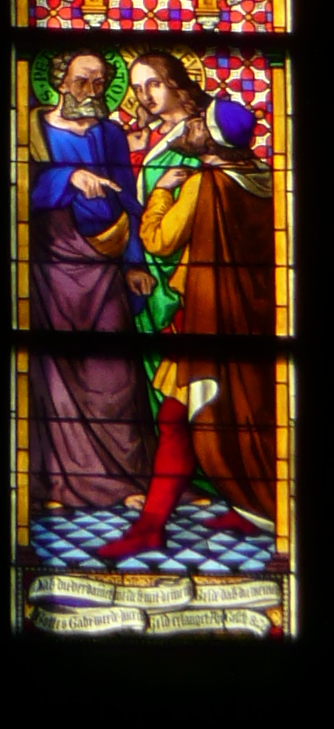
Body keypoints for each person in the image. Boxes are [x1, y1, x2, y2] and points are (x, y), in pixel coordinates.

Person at [96, 55, 279, 562]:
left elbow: (159, 238)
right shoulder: (257, 174)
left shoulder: (199, 175)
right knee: (233, 407)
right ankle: (251, 502)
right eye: (138, 87)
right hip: (233, 310)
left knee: (181, 412)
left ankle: (153, 524)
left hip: (195, 307)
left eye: (156, 84)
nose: (146, 96)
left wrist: (160, 192)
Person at [27, 48, 150, 514]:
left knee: (114, 370)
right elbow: (18, 192)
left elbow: (130, 201)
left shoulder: (111, 133)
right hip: (52, 264)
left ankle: (125, 480)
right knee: (54, 373)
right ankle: (58, 485)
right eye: (82, 81)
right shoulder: (33, 132)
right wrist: (69, 178)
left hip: (106, 260)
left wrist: (135, 262)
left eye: (100, 83)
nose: (92, 92)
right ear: (60, 80)